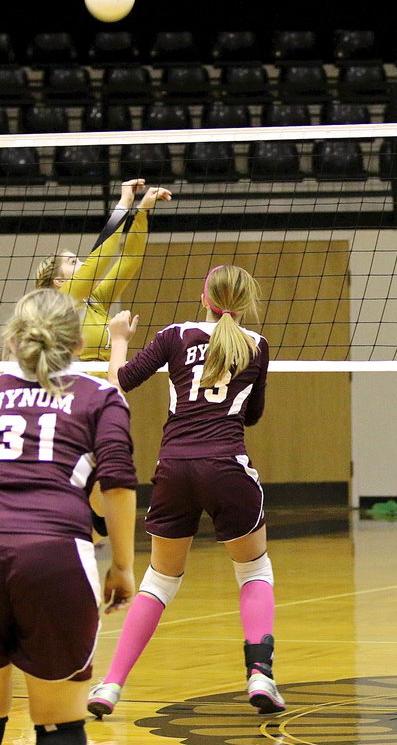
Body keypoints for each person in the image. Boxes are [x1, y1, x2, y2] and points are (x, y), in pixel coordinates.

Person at [0, 288, 137, 745]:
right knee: (59, 724)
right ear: (79, 344)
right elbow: (117, 483)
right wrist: (122, 566)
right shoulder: (101, 396)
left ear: (13, 340)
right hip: (54, 555)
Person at [88, 263, 284, 718]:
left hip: (174, 467)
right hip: (226, 466)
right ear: (246, 301)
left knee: (159, 581)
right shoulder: (257, 346)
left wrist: (118, 338)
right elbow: (250, 415)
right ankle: (260, 674)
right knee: (254, 571)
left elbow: (119, 383)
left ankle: (111, 685)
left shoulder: (174, 335)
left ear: (204, 297)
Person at [34, 178, 173, 361]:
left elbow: (129, 261)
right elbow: (100, 259)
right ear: (60, 281)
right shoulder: (62, 302)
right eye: (74, 262)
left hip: (108, 386)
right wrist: (124, 203)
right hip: (76, 387)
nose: (84, 264)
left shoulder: (95, 302)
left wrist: (142, 212)